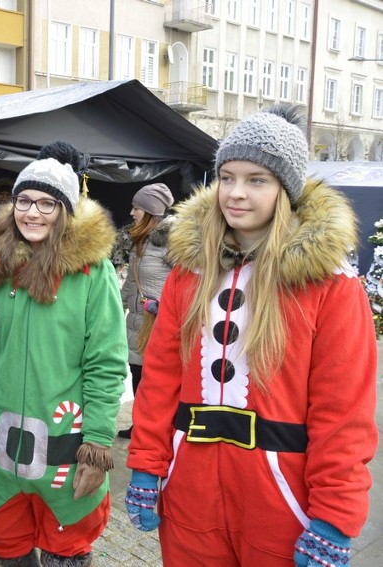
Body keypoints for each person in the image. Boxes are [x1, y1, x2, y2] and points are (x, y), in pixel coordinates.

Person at [124, 104, 378, 565]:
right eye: (227, 177)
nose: (236, 194)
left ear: (286, 188)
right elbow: (160, 379)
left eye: (256, 180)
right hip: (189, 490)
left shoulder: (331, 286)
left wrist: (336, 514)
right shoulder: (190, 272)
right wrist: (146, 465)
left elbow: (343, 412)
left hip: (282, 497)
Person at [0, 141, 128, 567]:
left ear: (65, 210)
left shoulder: (91, 272)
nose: (32, 213)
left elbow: (104, 362)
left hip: (65, 456)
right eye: (24, 200)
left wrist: (99, 443)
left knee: (64, 555)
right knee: (7, 552)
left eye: (47, 203)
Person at [117, 183, 174, 439]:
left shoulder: (172, 242)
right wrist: (116, 306)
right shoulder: (140, 241)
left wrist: (162, 307)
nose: (131, 212)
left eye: (137, 208)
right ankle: (140, 426)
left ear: (150, 212)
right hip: (137, 322)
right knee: (138, 376)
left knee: (157, 382)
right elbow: (131, 280)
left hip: (159, 323)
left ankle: (156, 430)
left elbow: (189, 283)